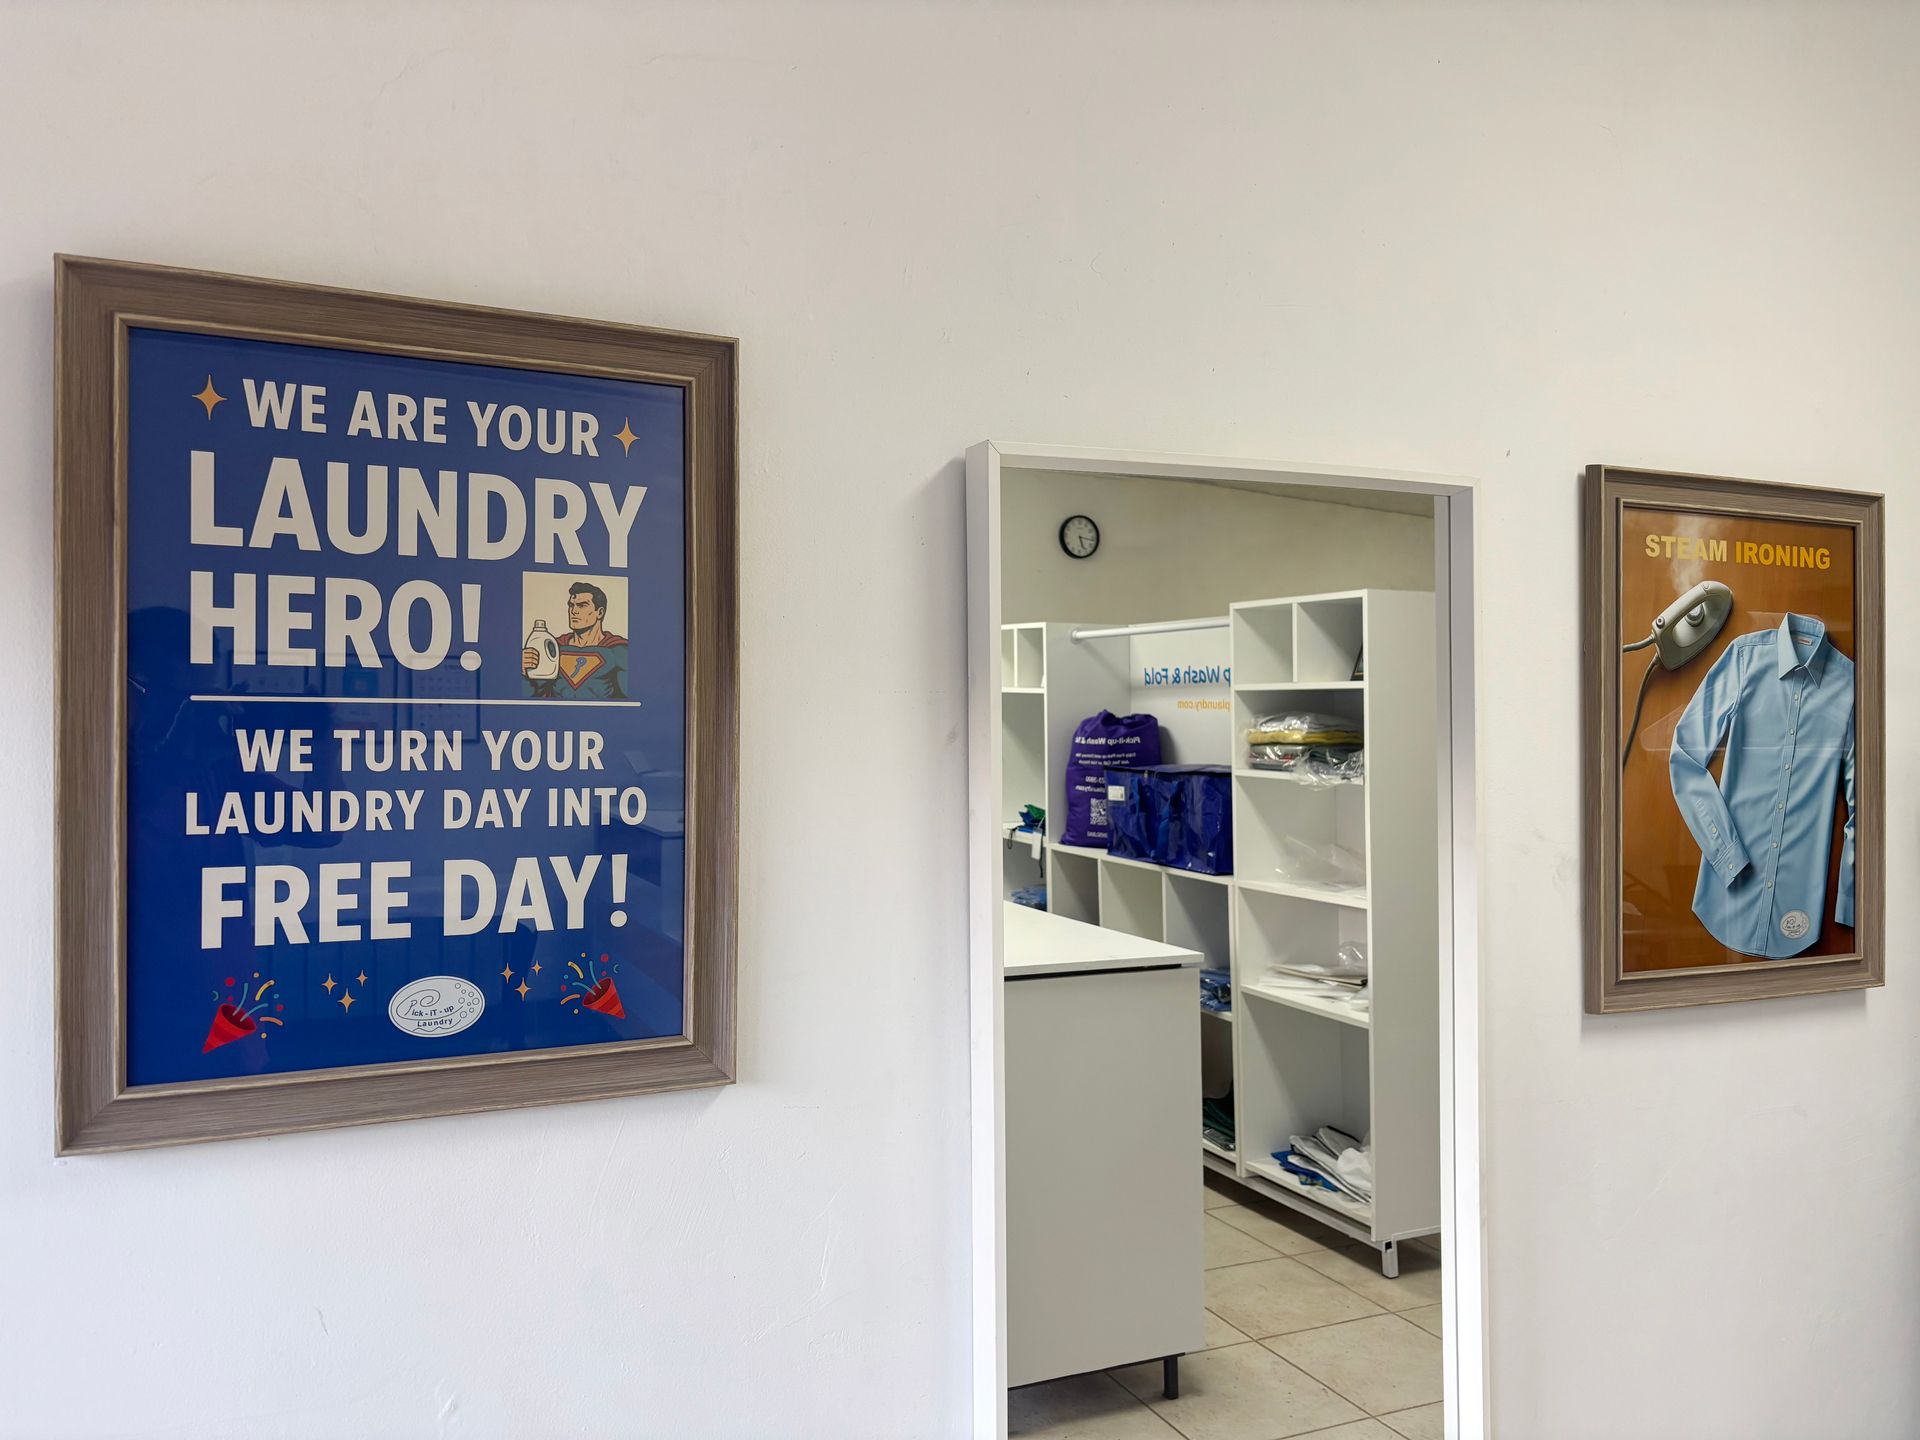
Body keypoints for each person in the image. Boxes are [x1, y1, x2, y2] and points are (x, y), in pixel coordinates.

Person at [523, 581, 628, 700]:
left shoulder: (618, 650)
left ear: (599, 612)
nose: (573, 611)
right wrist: (524, 671)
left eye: (582, 605)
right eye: (571, 605)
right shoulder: (553, 647)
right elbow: (532, 695)